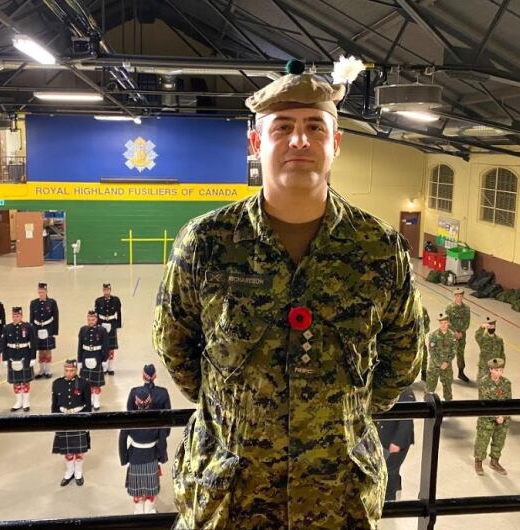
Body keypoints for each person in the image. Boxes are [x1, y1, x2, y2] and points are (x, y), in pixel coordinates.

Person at [153, 58, 422, 529]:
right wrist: (234, 412)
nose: (300, 140)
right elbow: (175, 346)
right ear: (257, 142)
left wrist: (345, 417)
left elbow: (403, 354)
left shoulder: (378, 247)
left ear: (335, 143)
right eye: (283, 128)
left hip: (337, 496)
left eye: (315, 128)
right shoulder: (207, 241)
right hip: (231, 495)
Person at [119, 385, 169, 514]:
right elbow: (162, 441)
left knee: (137, 493)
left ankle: (138, 513)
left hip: (134, 456)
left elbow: (122, 439)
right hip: (152, 456)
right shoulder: (157, 418)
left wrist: (124, 458)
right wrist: (162, 457)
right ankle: (149, 512)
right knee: (150, 492)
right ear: (150, 400)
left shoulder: (129, 418)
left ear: (136, 401)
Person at [51, 359, 92, 487]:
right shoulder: (57, 383)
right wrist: (54, 420)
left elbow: (88, 405)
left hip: (79, 418)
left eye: (72, 371)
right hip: (64, 418)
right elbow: (54, 404)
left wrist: (86, 422)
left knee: (79, 451)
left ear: (76, 370)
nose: (69, 373)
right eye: (67, 370)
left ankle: (78, 472)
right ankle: (69, 471)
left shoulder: (84, 383)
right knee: (68, 451)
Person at [474, 358, 512, 476]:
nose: (498, 373)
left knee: (499, 440)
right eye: (496, 370)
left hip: (503, 419)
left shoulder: (506, 383)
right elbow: (485, 402)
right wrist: (496, 416)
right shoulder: (483, 382)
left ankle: (494, 461)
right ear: (490, 369)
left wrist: (503, 416)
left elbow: (508, 402)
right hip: (487, 418)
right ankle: (478, 462)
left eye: (500, 370)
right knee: (482, 440)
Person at [376, 385, 415, 501]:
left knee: (389, 471)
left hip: (396, 440)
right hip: (385, 437)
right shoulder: (387, 388)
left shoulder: (404, 393)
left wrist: (398, 442)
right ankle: (397, 486)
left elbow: (406, 421)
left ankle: (389, 499)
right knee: (392, 467)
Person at [2, 306, 37, 412]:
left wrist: (33, 357)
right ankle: (18, 401)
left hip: (25, 355)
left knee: (25, 381)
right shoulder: (6, 328)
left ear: (21, 316)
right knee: (16, 381)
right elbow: (4, 344)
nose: (15, 317)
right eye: (14, 315)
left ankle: (26, 401)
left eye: (17, 315)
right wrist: (5, 358)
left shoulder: (28, 327)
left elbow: (33, 343)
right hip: (12, 356)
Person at [77, 310, 109, 411]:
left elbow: (105, 346)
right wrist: (80, 361)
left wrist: (104, 360)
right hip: (86, 356)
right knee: (87, 383)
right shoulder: (83, 330)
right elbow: (80, 346)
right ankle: (89, 400)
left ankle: (96, 401)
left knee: (96, 384)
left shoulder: (102, 330)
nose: (91, 321)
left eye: (93, 319)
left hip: (97, 357)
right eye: (89, 319)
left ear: (96, 320)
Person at [30, 282, 59, 379]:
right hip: (37, 329)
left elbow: (56, 317)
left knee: (48, 350)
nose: (41, 294)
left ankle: (48, 370)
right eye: (39, 292)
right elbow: (31, 319)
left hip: (48, 329)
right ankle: (42, 370)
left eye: (42, 292)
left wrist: (55, 331)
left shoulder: (52, 302)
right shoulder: (33, 303)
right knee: (41, 351)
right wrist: (32, 332)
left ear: (46, 291)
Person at [426, 313, 455, 400]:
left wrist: (447, 362)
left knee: (448, 389)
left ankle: (448, 407)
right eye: (441, 323)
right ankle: (427, 406)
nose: (443, 325)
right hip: (434, 366)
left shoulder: (452, 335)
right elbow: (432, 351)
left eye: (445, 323)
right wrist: (440, 364)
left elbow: (453, 351)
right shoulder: (433, 335)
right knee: (430, 389)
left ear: (448, 323)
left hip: (447, 366)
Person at [95, 283, 122, 376]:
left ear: (110, 290)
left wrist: (118, 325)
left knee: (111, 348)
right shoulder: (98, 301)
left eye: (108, 290)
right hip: (102, 325)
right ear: (103, 290)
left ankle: (110, 367)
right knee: (102, 347)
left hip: (112, 324)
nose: (106, 291)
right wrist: (97, 326)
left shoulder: (116, 300)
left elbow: (119, 313)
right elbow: (97, 315)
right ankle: (104, 366)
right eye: (105, 290)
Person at [445, 288, 471, 382]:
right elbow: (447, 321)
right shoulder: (449, 308)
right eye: (457, 296)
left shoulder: (467, 308)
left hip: (462, 335)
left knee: (460, 353)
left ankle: (461, 372)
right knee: (449, 354)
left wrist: (461, 332)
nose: (458, 298)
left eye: (460, 296)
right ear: (454, 296)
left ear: (463, 296)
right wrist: (455, 332)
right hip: (451, 335)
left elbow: (467, 322)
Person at [421, 307, 430, 381]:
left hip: (420, 338)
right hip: (409, 338)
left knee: (424, 355)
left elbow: (427, 324)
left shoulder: (423, 310)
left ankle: (423, 373)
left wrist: (423, 332)